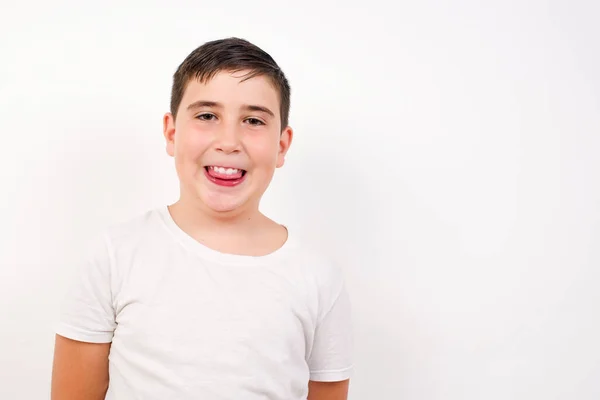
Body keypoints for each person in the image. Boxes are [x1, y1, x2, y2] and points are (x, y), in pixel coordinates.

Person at [50, 37, 353, 399]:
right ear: (172, 132)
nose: (229, 141)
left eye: (253, 120)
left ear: (282, 146)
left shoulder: (317, 278)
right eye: (207, 116)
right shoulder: (116, 255)